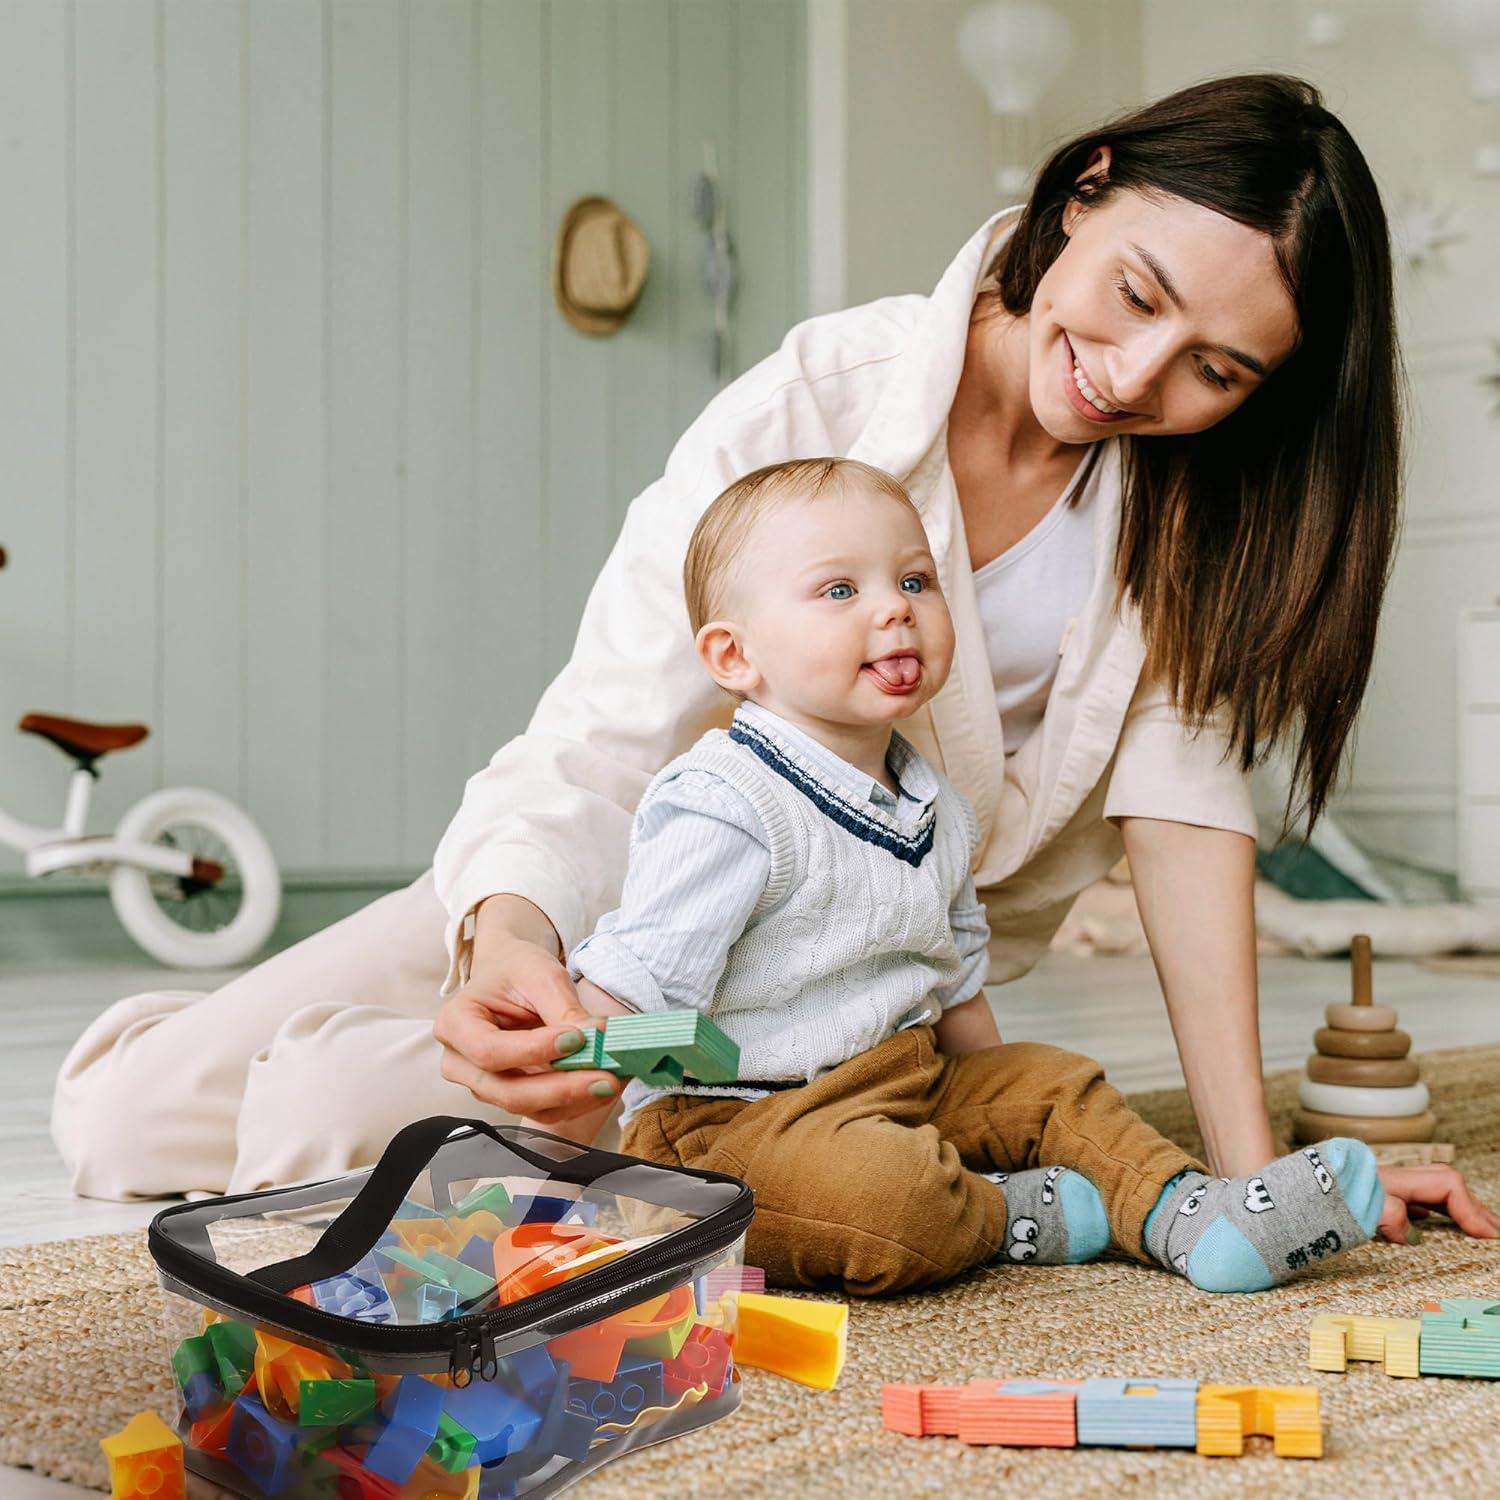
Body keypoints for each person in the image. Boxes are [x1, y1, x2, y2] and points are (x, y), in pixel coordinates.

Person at [49, 75, 1490, 1244]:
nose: (1134, 372)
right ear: (1086, 185)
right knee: (119, 1124)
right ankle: (343, 1018)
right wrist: (507, 942)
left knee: (321, 1121)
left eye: (1214, 370)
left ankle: (403, 1076)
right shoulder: (822, 397)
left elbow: (1184, 825)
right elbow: (603, 734)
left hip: (831, 1009)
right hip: (627, 897)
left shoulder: (1191, 519)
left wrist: (1250, 1180)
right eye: (1135, 292)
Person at [559, 452, 1419, 1295]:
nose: (895, 613)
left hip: (900, 1078)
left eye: (915, 582)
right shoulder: (726, 800)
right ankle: (997, 1215)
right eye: (839, 591)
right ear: (734, 657)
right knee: (884, 1196)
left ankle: (1198, 1216)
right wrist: (557, 1150)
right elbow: (636, 983)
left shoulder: (933, 800)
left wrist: (1010, 1116)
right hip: (735, 1123)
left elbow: (956, 979)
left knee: (1057, 1084)